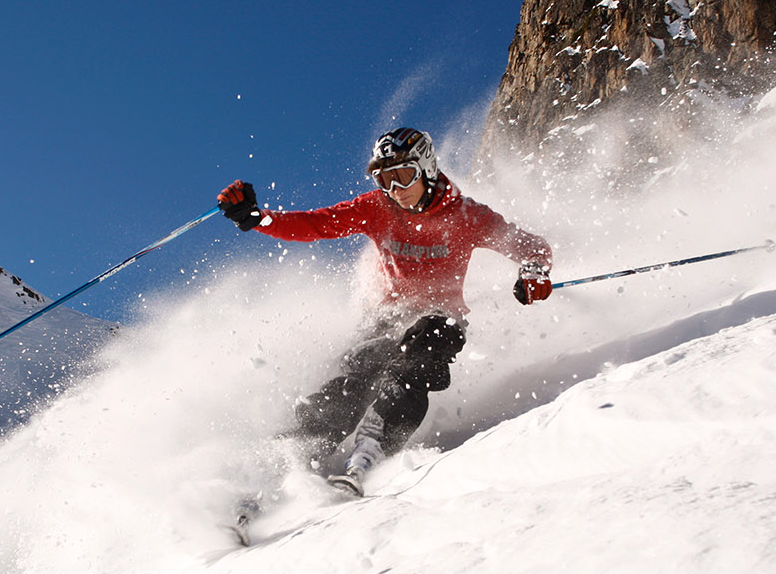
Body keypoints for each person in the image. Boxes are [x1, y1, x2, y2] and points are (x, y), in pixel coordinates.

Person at [218, 127, 554, 495]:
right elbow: (317, 224)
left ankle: (372, 450)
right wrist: (257, 217)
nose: (395, 190)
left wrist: (533, 271)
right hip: (386, 318)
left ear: (426, 168)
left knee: (418, 356)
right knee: (359, 376)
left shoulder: (467, 216)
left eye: (403, 176)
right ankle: (293, 451)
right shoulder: (377, 208)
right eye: (384, 180)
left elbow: (528, 245)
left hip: (439, 318)